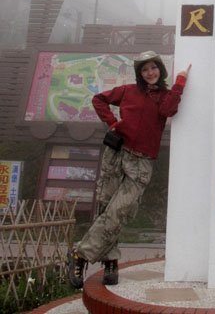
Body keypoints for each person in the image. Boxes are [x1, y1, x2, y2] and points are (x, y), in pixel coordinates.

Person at [67, 51, 191, 289]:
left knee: (119, 211)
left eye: (154, 68)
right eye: (145, 70)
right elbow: (98, 99)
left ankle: (80, 255)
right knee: (106, 207)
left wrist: (180, 83)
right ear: (139, 74)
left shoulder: (165, 96)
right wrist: (112, 122)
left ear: (160, 70)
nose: (150, 73)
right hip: (117, 154)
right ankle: (111, 260)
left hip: (142, 162)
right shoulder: (127, 91)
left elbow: (168, 111)